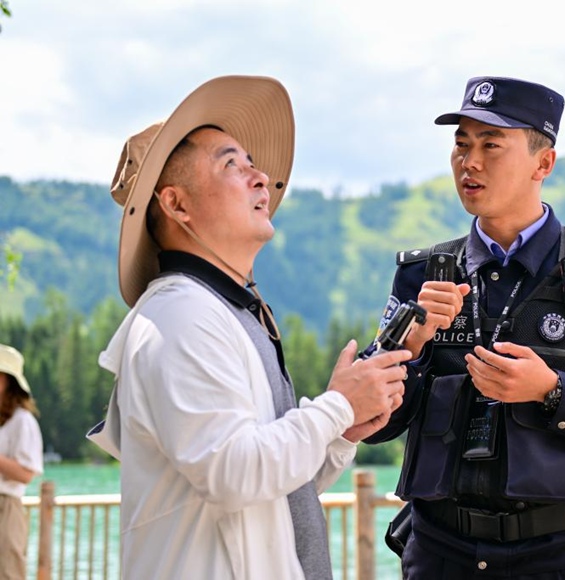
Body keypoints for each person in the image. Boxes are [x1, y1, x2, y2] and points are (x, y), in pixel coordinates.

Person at [87, 75, 411, 579]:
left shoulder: (223, 311)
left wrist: (339, 431)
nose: (260, 177)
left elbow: (278, 489)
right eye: (232, 165)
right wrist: (338, 405)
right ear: (176, 205)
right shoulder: (180, 316)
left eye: (251, 163)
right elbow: (233, 472)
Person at [366, 76, 565, 578]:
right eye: (461, 144)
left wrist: (553, 391)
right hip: (441, 553)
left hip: (564, 555)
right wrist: (413, 345)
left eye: (491, 145)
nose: (470, 161)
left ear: (543, 163)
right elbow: (373, 426)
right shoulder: (421, 274)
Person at [0, 344, 44, 580]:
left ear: (7, 381)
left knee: (8, 573)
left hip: (6, 508)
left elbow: (27, 473)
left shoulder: (22, 420)